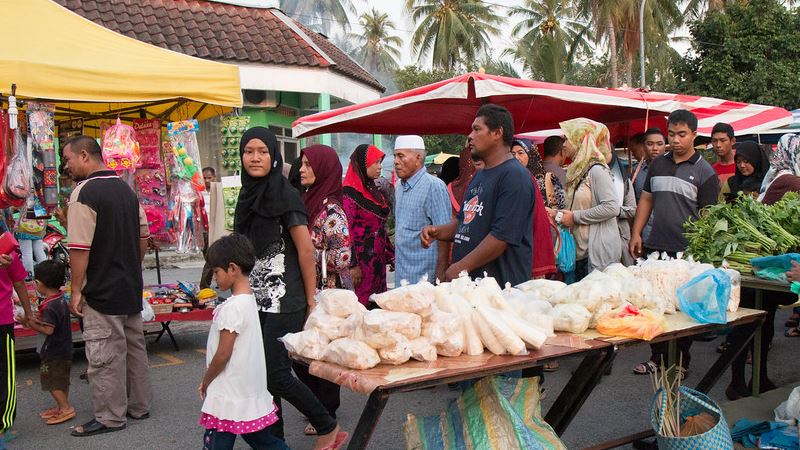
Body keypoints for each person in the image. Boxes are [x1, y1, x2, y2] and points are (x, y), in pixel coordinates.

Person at [233, 127, 343, 449]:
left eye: (263, 151)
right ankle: (276, 442)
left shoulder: (286, 194)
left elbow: (306, 250)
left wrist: (311, 301)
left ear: (274, 156)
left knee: (275, 374)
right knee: (264, 378)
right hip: (256, 298)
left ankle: (327, 424)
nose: (255, 157)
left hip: (287, 298)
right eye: (249, 151)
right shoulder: (246, 193)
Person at [61, 136, 152, 437]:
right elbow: (143, 237)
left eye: (69, 159)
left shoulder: (84, 192)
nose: (66, 165)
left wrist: (76, 290)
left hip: (101, 288)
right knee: (134, 348)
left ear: (84, 156)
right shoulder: (126, 189)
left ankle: (111, 416)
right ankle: (138, 406)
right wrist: (131, 267)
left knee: (103, 352)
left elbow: (79, 248)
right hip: (129, 284)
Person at [629, 110, 720, 376]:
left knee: (681, 308)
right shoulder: (657, 164)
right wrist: (637, 233)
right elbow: (646, 199)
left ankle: (681, 362)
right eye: (672, 134)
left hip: (687, 253)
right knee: (656, 305)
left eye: (682, 135)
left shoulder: (705, 172)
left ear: (694, 135)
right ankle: (656, 358)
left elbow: (708, 218)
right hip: (656, 246)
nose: (676, 140)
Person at [421, 104, 535, 287]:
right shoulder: (480, 176)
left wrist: (460, 268)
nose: (470, 136)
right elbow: (463, 221)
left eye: (476, 129)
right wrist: (438, 231)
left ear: (497, 133)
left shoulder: (515, 176)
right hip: (472, 289)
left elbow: (501, 237)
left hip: (500, 290)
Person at [725, 133, 800, 399]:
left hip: (767, 265)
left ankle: (759, 377)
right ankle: (736, 383)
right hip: (761, 267)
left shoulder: (776, 177)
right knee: (749, 325)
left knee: (763, 323)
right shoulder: (788, 179)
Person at [198, 234, 288, 450]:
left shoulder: (233, 308)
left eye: (216, 272)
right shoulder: (249, 301)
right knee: (263, 440)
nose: (215, 278)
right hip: (247, 391)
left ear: (232, 269)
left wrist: (206, 380)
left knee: (217, 443)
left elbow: (223, 354)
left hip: (228, 392)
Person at [297, 145, 350, 432]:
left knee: (321, 352)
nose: (302, 169)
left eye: (308, 164)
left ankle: (326, 413)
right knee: (304, 352)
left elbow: (343, 256)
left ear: (324, 169)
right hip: (309, 287)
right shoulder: (310, 200)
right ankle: (318, 406)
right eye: (301, 163)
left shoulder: (332, 210)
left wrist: (313, 259)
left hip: (326, 291)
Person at [550, 118, 621, 279]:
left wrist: (574, 217)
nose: (564, 144)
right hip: (579, 252)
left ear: (581, 141)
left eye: (567, 139)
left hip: (595, 254)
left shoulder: (597, 171)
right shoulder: (576, 171)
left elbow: (612, 207)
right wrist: (557, 214)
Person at [393, 135, 451, 284]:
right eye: (395, 156)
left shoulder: (434, 186)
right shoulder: (399, 187)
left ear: (418, 158)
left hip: (424, 279)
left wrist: (441, 273)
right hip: (402, 276)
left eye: (401, 156)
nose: (395, 162)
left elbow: (444, 235)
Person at [343, 144, 394, 306]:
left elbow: (380, 229)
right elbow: (346, 232)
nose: (380, 167)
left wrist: (391, 255)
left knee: (378, 308)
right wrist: (352, 266)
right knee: (361, 309)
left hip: (377, 265)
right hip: (360, 267)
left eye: (380, 162)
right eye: (376, 162)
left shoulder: (375, 192)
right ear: (363, 165)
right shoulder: (349, 194)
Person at [25, 260, 74, 425]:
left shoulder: (50, 306)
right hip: (64, 348)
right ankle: (61, 405)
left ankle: (65, 408)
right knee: (61, 380)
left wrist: (30, 322)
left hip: (54, 351)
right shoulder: (59, 299)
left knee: (52, 381)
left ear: (39, 283)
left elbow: (48, 330)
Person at [511, 139, 557, 279]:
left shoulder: (542, 178)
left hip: (539, 234)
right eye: (512, 154)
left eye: (520, 153)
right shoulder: (512, 177)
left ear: (530, 155)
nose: (516, 157)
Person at [0, 248, 32, 446]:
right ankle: (3, 425)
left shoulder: (7, 253)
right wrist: (28, 313)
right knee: (6, 372)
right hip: (2, 320)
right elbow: (19, 282)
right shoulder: (6, 251)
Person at [632, 128, 667, 243]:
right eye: (650, 144)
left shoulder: (675, 171)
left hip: (668, 234)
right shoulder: (635, 173)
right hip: (644, 235)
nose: (655, 149)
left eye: (659, 144)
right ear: (644, 146)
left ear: (665, 146)